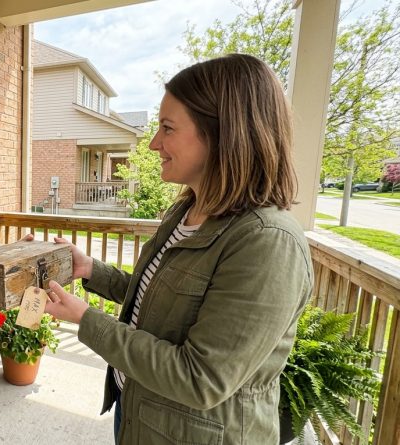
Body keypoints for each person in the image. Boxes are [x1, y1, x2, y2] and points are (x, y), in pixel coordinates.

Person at [44, 53, 313, 444]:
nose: (154, 143)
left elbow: (200, 378)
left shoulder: (267, 242)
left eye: (167, 128)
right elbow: (158, 300)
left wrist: (87, 320)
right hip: (138, 409)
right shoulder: (186, 210)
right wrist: (90, 270)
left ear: (222, 133)